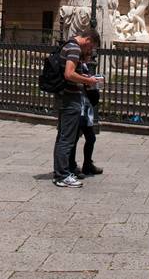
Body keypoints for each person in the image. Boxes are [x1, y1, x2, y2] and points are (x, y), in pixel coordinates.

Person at [52, 29, 101, 188]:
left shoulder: (69, 45)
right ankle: (63, 175)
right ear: (88, 41)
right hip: (70, 99)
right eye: (90, 47)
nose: (89, 51)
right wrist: (89, 81)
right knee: (67, 139)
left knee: (63, 137)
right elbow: (69, 74)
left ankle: (60, 172)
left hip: (64, 97)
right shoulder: (74, 48)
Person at [69, 45, 101, 178]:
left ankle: (87, 164)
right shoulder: (78, 66)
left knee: (91, 137)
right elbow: (74, 80)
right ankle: (71, 166)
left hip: (85, 108)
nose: (91, 57)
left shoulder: (85, 66)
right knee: (74, 138)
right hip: (79, 107)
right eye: (89, 55)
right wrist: (88, 81)